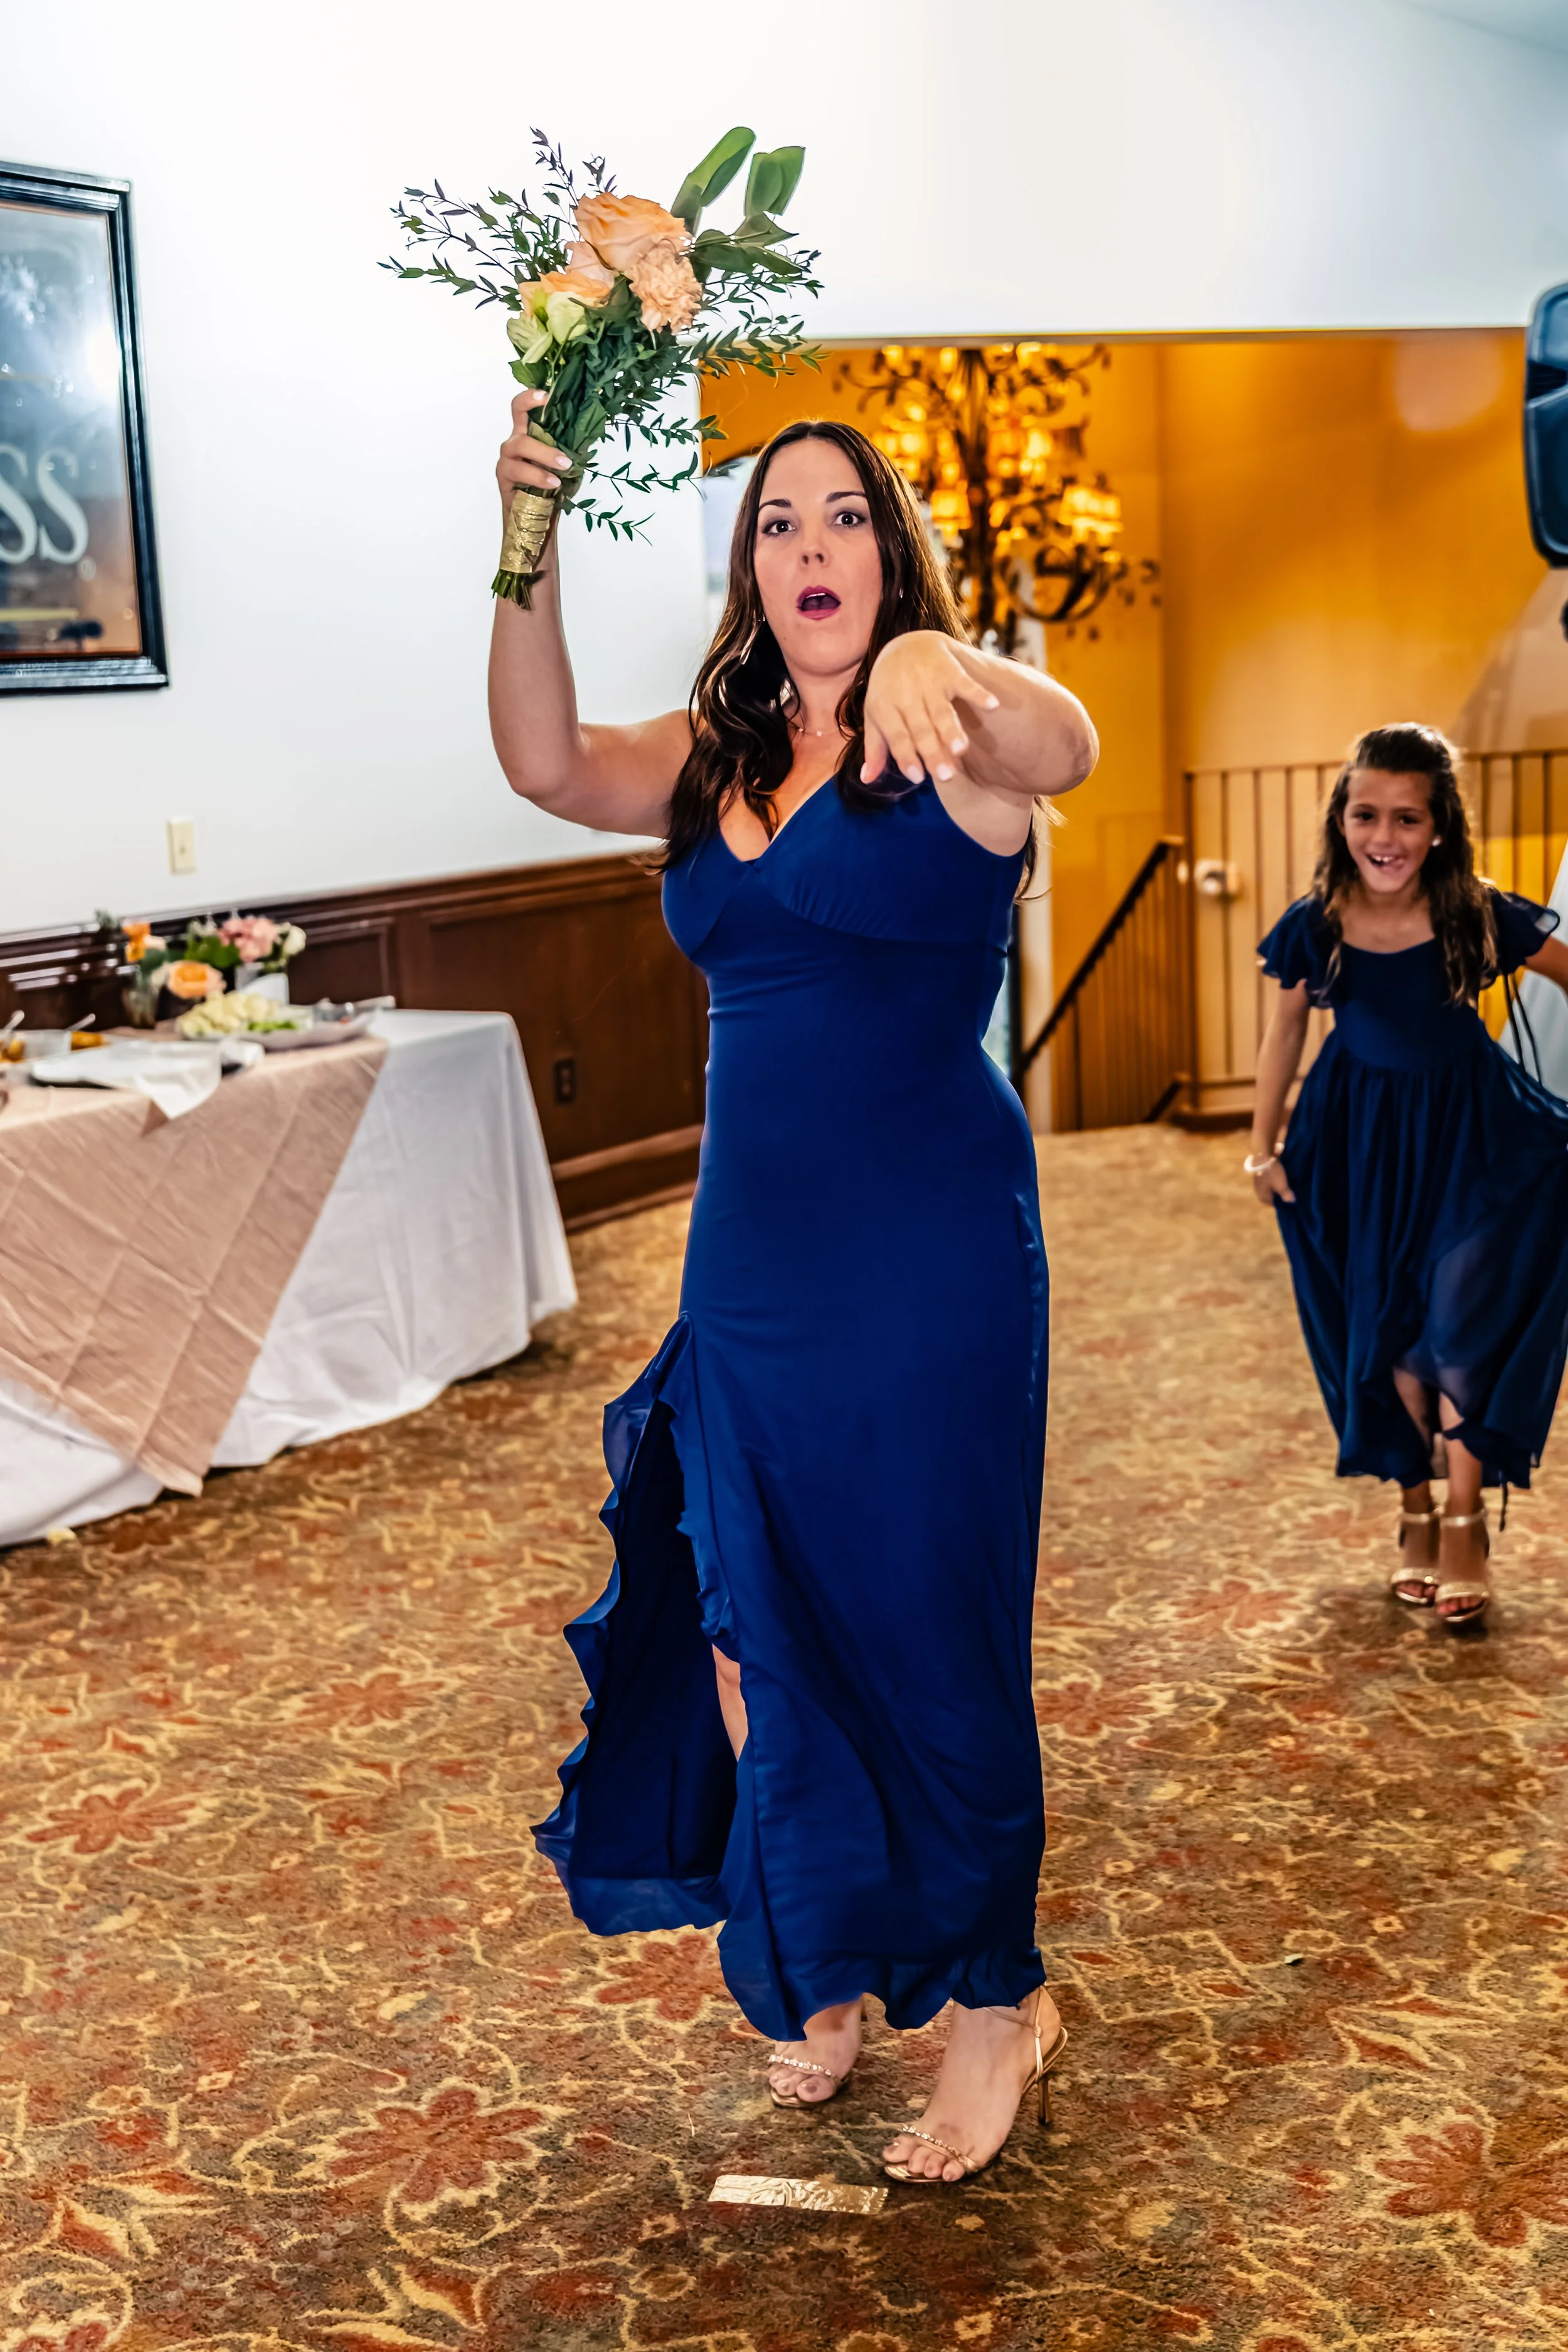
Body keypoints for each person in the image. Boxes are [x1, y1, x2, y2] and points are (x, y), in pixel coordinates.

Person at [489, 397, 1097, 2183]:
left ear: (887, 552)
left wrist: (946, 649)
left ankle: (992, 2000)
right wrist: (525, 536)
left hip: (927, 1265)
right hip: (748, 1264)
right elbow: (536, 760)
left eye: (844, 520)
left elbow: (1062, 739)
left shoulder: (953, 729)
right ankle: (823, 1956)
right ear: (747, 569)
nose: (810, 547)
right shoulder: (707, 752)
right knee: (753, 1629)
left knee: (925, 1617)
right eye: (778, 525)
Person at [1248, 723, 1568, 1629]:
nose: (1384, 835)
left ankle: (1466, 1519)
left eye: (1407, 817)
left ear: (1439, 826)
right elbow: (1284, 1038)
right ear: (1340, 818)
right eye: (1366, 814)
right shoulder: (1316, 924)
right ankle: (1416, 1508)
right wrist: (1261, 1145)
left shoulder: (1473, 909)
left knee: (1462, 1318)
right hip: (1354, 1139)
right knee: (1385, 1330)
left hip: (1469, 1132)